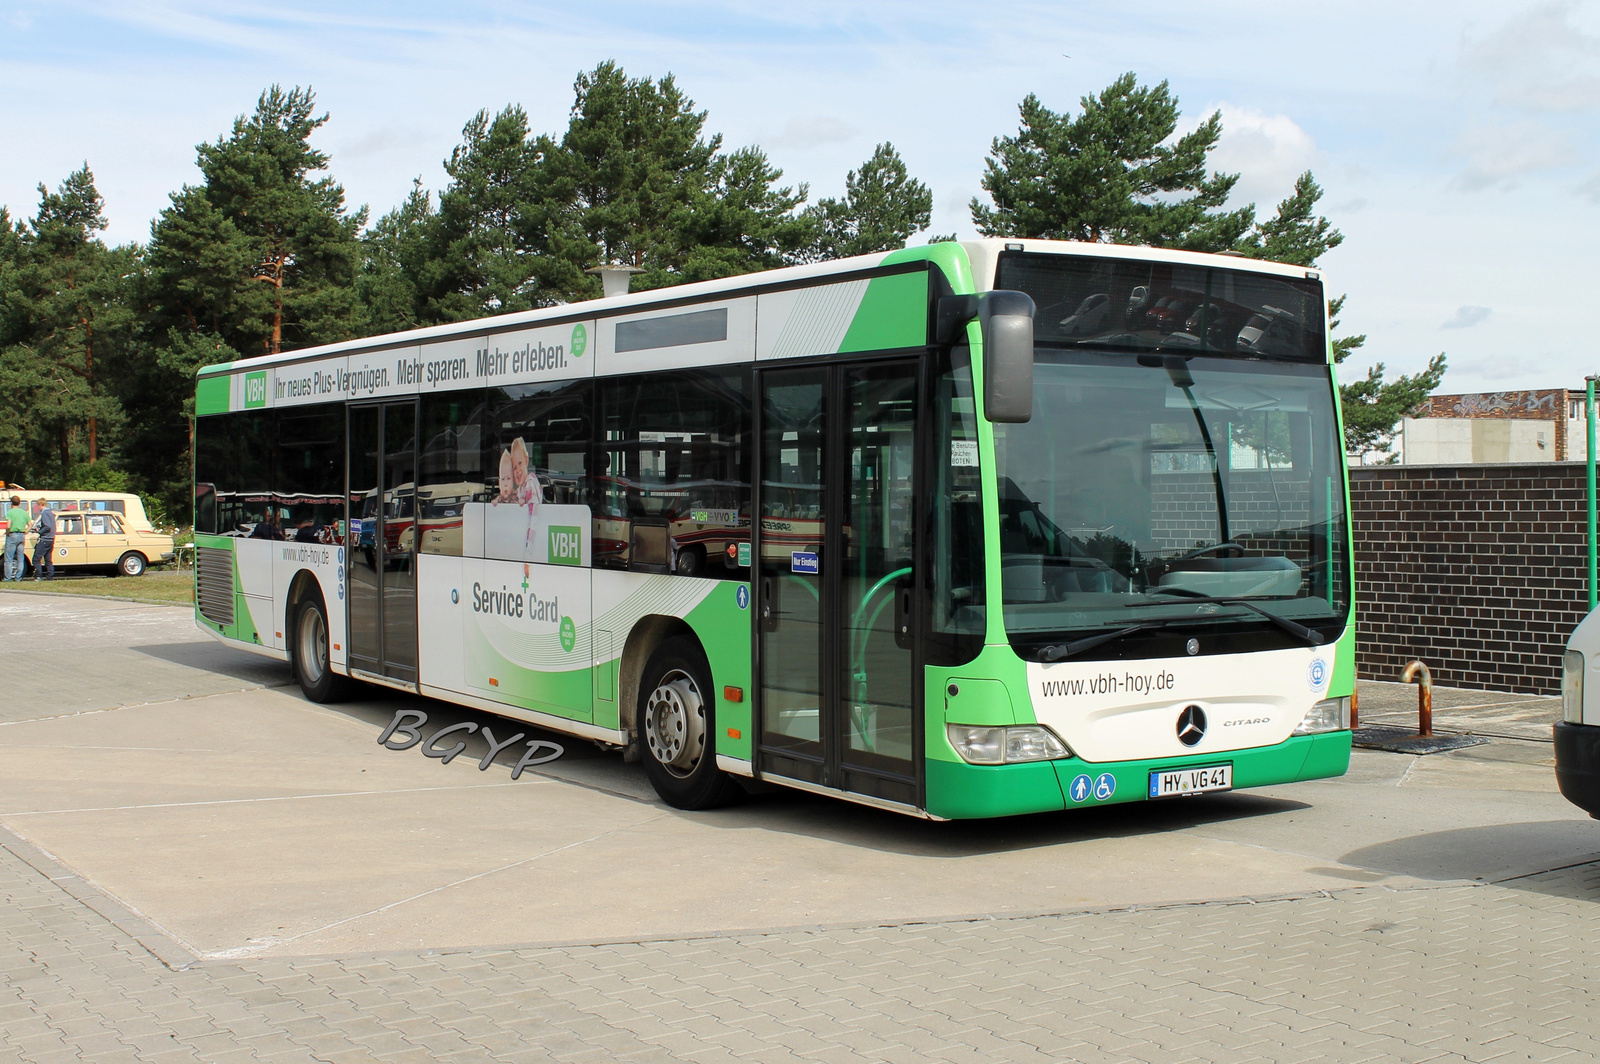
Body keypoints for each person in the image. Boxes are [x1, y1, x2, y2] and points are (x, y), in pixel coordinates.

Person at [4, 495, 28, 581]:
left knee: (9, 558)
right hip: (21, 535)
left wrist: (7, 533)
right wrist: (26, 531)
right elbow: (30, 524)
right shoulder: (24, 512)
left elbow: (8, 525)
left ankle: (8, 577)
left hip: (12, 535)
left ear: (11, 503)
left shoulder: (10, 512)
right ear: (19, 503)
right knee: (20, 558)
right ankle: (18, 577)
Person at [29, 499, 55, 581]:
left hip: (45, 539)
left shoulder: (44, 513)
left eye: (37, 505)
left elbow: (47, 526)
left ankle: (38, 576)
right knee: (48, 559)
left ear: (40, 505)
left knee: (36, 558)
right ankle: (50, 576)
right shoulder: (50, 513)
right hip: (51, 538)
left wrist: (39, 532)